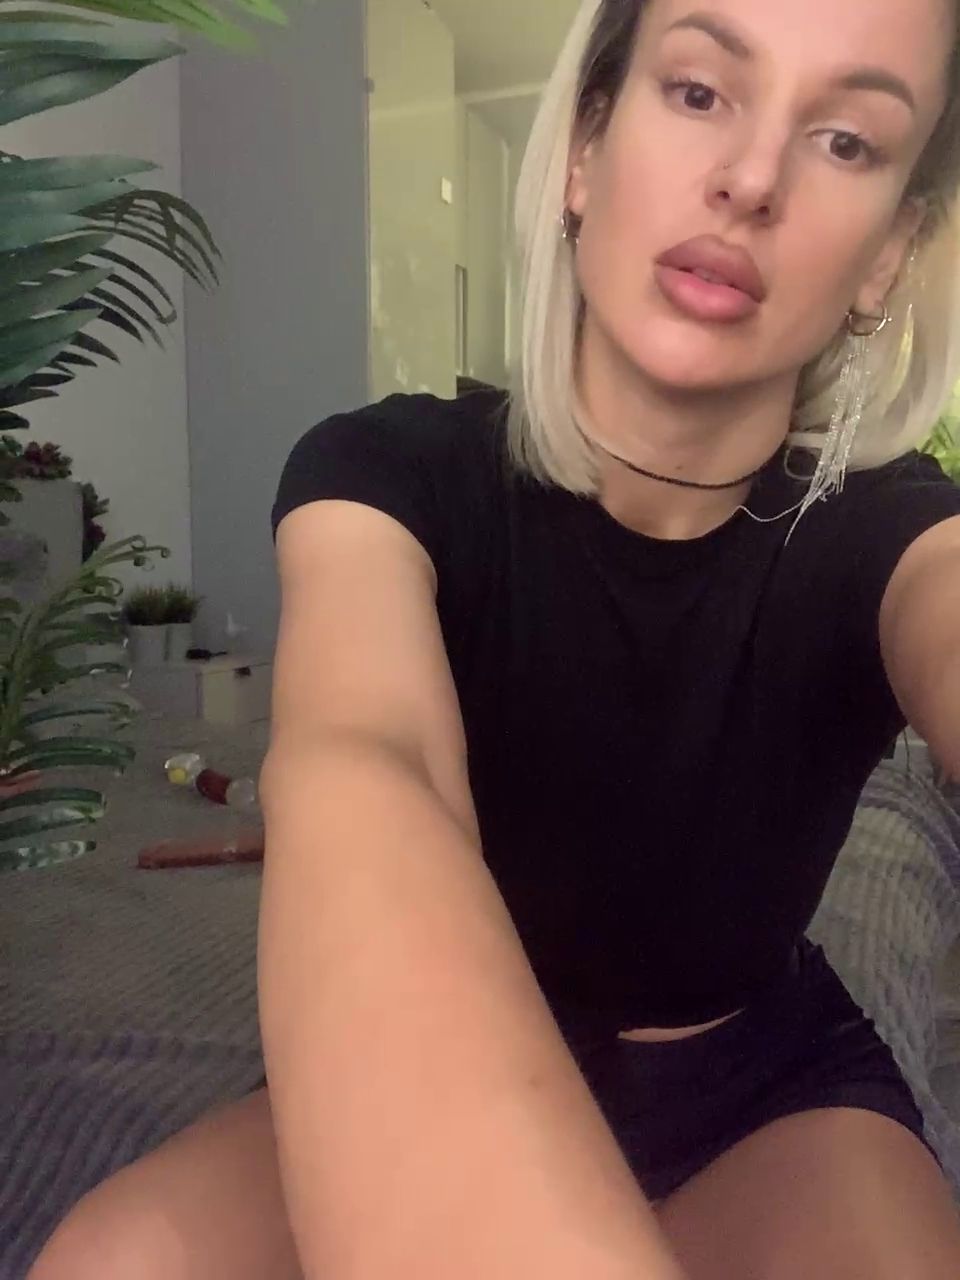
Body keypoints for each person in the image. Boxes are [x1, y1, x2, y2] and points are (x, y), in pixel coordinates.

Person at [29, 0, 960, 1276]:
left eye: (847, 141)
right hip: (441, 1037)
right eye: (699, 91)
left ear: (886, 259)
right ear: (583, 150)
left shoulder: (898, 529)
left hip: (769, 1091)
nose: (751, 179)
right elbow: (367, 761)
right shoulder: (387, 471)